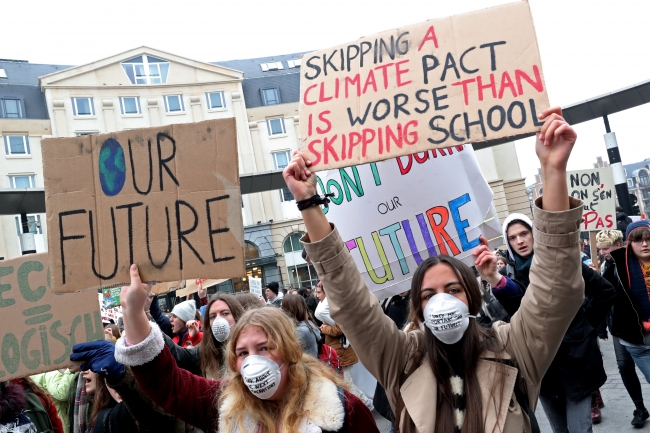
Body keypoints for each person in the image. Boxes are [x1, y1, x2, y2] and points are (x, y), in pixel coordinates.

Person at [286, 106, 585, 432]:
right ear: (417, 308)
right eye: (428, 294)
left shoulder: (513, 350)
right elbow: (351, 301)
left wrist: (553, 170)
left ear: (471, 299)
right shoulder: (400, 360)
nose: (442, 300)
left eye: (453, 289)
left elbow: (556, 288)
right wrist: (309, 204)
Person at [114, 281, 378, 433]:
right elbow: (169, 385)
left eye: (264, 348)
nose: (253, 361)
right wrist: (134, 314)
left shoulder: (344, 411)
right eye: (243, 353)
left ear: (289, 350)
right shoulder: (226, 406)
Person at [481, 211, 616, 431]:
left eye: (524, 233)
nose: (520, 241)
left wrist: (584, 325)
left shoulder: (563, 262)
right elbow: (519, 315)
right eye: (513, 237)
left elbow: (605, 292)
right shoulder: (507, 276)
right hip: (542, 368)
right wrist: (495, 282)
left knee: (580, 429)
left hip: (577, 360)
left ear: (535, 234)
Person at [70, 340, 185, 433]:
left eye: (131, 374)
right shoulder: (105, 421)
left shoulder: (163, 409)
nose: (119, 385)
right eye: (110, 378)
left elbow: (165, 420)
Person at [596, 228, 649, 427]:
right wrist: (601, 328)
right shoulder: (606, 266)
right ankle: (640, 407)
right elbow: (601, 296)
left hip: (639, 325)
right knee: (624, 366)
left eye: (606, 248)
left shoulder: (631, 262)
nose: (602, 252)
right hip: (620, 327)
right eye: (600, 249)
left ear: (619, 245)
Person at [164, 293, 245, 378]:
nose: (218, 320)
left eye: (225, 313)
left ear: (237, 316)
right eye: (213, 316)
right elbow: (178, 354)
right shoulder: (205, 353)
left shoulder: (251, 348)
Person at [31, 369, 76, 433]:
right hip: (60, 422)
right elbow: (61, 393)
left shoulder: (30, 375)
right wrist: (70, 370)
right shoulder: (50, 372)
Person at [281, 294, 321, 358]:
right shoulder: (307, 323)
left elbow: (288, 354)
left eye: (282, 307)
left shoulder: (300, 331)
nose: (280, 309)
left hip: (305, 366)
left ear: (288, 310)